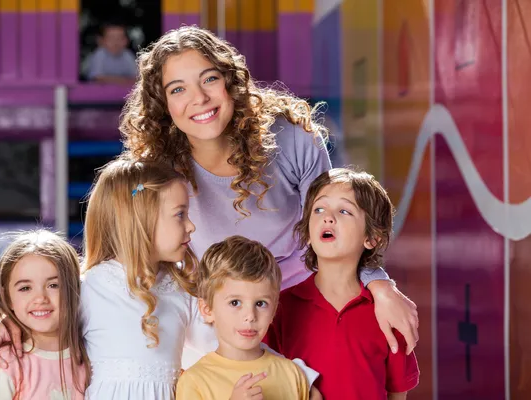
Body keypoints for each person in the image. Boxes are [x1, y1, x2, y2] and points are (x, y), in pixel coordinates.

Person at [119, 25, 418, 352]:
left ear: (230, 81)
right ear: (162, 104)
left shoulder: (290, 138)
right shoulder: (155, 171)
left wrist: (379, 285)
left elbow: (336, 230)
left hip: (306, 299)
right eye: (178, 89)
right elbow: (134, 251)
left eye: (209, 79)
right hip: (219, 318)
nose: (199, 98)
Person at [0, 159, 318, 400]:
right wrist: (3, 330)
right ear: (142, 221)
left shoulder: (182, 291)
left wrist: (295, 375)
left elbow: (233, 340)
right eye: (180, 215)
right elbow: (42, 314)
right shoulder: (90, 286)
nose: (191, 226)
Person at [265, 168, 420, 399]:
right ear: (307, 230)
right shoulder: (280, 309)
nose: (327, 217)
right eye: (319, 209)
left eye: (344, 211)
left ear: (372, 238)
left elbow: (397, 392)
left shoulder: (389, 314)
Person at [176, 236, 312, 400]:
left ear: (274, 310)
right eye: (235, 302)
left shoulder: (293, 375)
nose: (250, 316)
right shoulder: (195, 381)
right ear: (207, 309)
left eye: (261, 303)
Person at [0, 230, 89, 399]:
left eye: (54, 285)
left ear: (75, 288)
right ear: (8, 297)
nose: (40, 298)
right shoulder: (2, 365)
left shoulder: (91, 357)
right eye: (25, 288)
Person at [85, 20, 137, 84]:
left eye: (120, 38)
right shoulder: (99, 54)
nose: (115, 42)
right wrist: (124, 81)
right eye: (111, 38)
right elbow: (97, 78)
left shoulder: (128, 55)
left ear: (126, 41)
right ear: (101, 41)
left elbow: (136, 79)